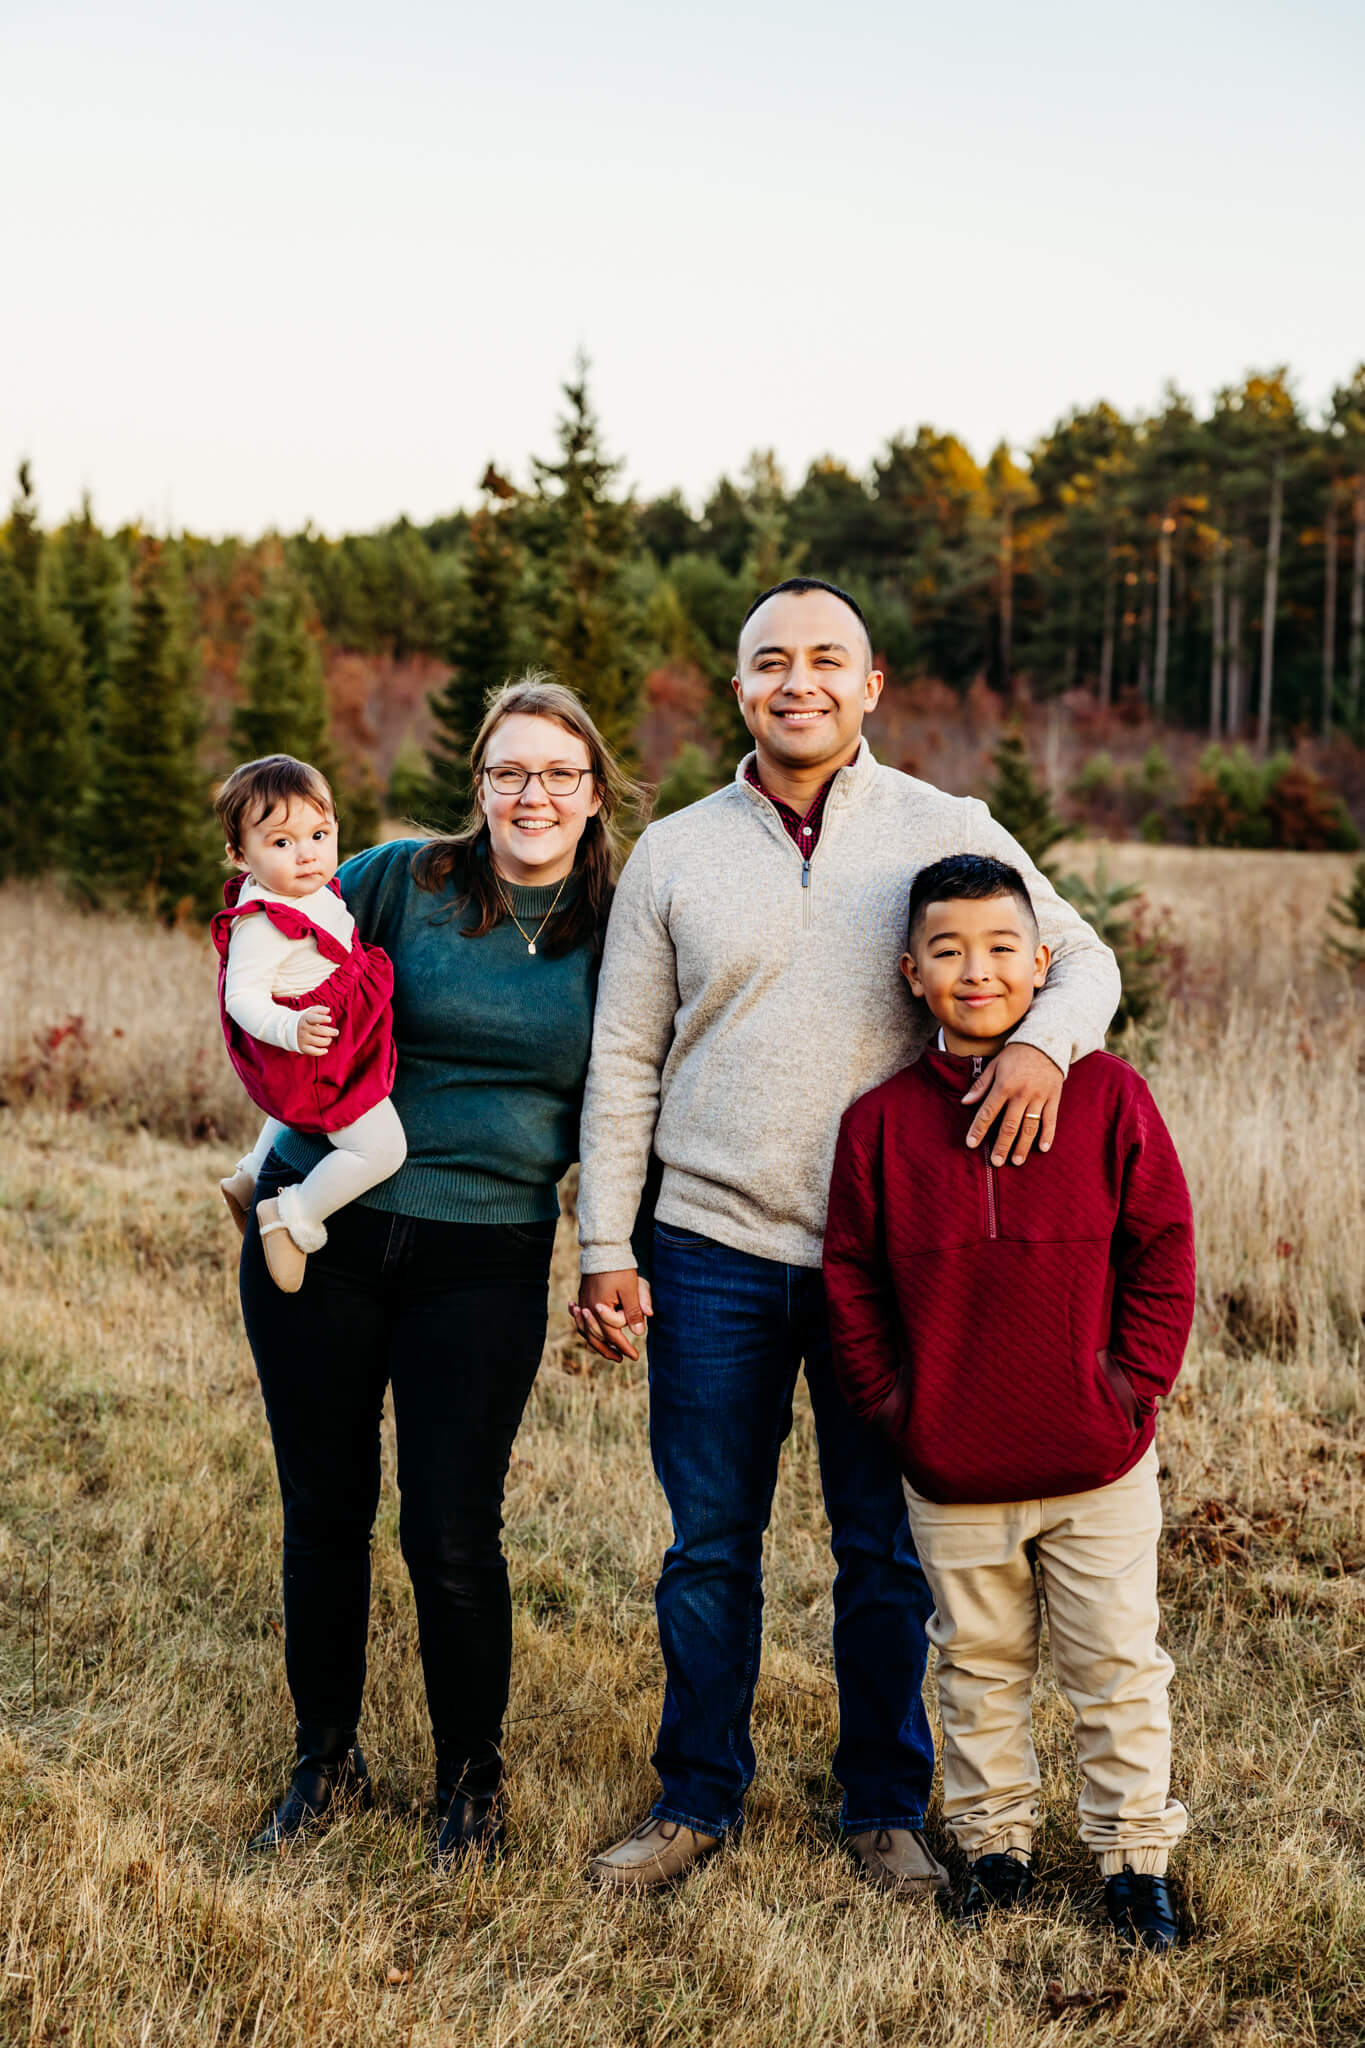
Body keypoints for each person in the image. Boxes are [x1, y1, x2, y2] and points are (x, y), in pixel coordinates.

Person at [574, 577, 1122, 1893]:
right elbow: (623, 1060)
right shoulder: (675, 851)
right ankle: (695, 1799)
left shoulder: (945, 826)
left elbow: (1081, 958)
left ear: (870, 687)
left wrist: (1044, 1045)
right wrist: (606, 1243)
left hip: (890, 1262)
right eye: (773, 661)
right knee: (710, 1542)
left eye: (829, 660)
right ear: (739, 687)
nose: (799, 681)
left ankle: (881, 1805)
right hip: (708, 1248)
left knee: (881, 1549)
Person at [239, 675, 641, 1865]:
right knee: (325, 1507)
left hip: (487, 1252)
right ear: (478, 781)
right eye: (509, 770)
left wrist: (620, 1246)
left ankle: (472, 1779)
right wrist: (265, 1140)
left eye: (559, 773)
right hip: (325, 1230)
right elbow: (269, 938)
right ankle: (325, 1756)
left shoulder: (623, 921)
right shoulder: (400, 879)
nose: (533, 792)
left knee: (454, 1526)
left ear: (594, 792)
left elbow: (635, 1099)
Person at [823, 853, 1194, 1951]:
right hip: (952, 1459)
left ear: (1042, 962)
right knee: (977, 1664)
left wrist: (1129, 1392)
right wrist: (902, 1409)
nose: (975, 970)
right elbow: (851, 1280)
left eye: (1000, 947)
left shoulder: (1110, 1093)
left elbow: (1162, 1249)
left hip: (1097, 1459)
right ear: (911, 971)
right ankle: (997, 1849)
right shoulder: (881, 1124)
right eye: (948, 949)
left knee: (1118, 1663)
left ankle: (1135, 1864)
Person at [213, 755, 407, 1294]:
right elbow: (241, 999)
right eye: (281, 843)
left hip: (328, 1035)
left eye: (319, 834)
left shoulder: (307, 891)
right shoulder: (263, 922)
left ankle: (252, 1173)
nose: (306, 855)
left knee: (299, 1114)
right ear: (239, 854)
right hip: (314, 1048)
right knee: (382, 1148)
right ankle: (291, 1216)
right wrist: (289, 1028)